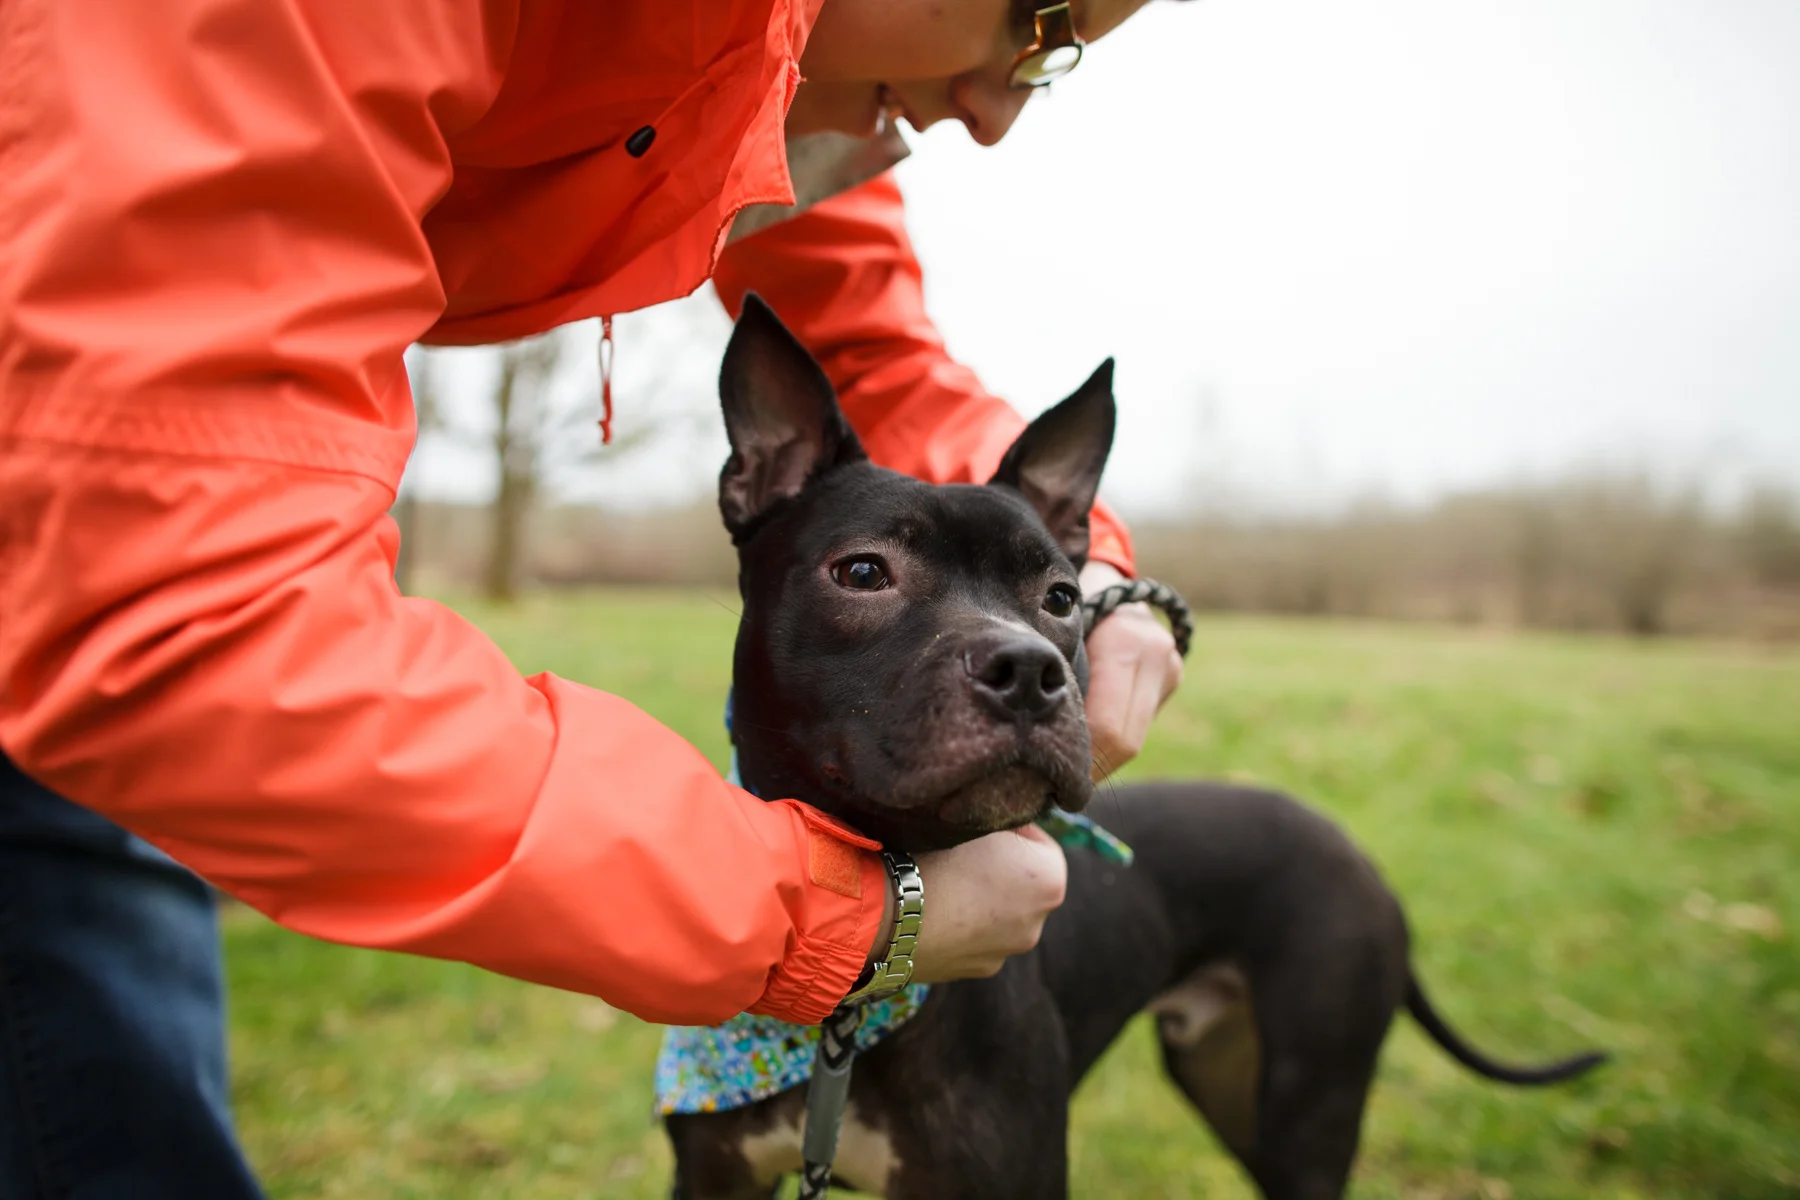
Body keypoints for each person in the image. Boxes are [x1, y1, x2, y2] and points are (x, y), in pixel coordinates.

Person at [0, 0, 1185, 1193]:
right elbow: (189, 623)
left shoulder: (765, 67)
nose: (996, 112)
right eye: (1037, 15)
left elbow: (867, 345)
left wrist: (1086, 574)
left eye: (1058, 58)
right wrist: (836, 915)